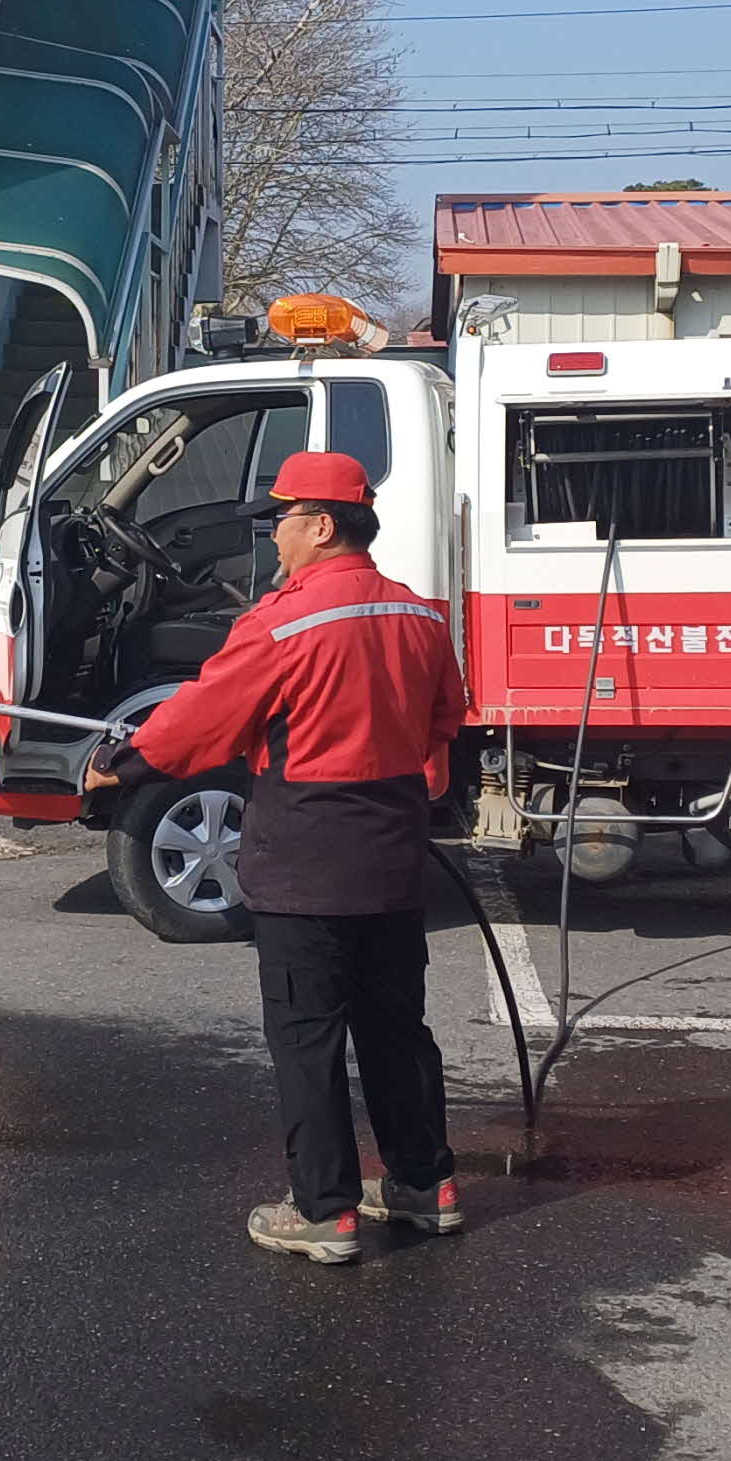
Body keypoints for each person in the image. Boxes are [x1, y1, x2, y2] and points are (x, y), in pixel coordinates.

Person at [91, 448, 471, 1265]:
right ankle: (423, 1184)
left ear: (323, 524)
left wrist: (123, 764)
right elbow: (447, 721)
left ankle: (327, 1211)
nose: (275, 537)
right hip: (394, 862)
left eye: (283, 520)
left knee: (307, 1038)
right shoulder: (420, 617)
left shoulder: (280, 623)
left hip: (306, 865)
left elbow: (201, 721)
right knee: (396, 1029)